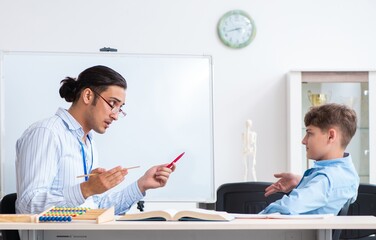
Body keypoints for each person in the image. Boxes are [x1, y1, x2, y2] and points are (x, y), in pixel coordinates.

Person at [15, 65, 175, 216]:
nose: (115, 115)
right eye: (112, 104)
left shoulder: (88, 142)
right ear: (88, 95)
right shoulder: (47, 133)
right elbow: (28, 205)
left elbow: (93, 207)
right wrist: (86, 189)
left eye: (120, 108)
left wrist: (142, 185)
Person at [260, 103, 359, 215]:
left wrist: (255, 218)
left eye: (310, 133)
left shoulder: (325, 180)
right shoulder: (347, 173)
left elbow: (287, 208)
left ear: (331, 136)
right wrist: (303, 181)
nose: (304, 141)